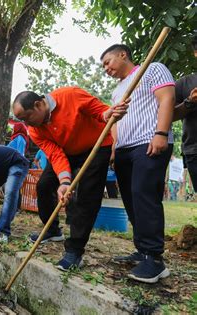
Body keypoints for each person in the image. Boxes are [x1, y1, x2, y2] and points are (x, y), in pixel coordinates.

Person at [12, 88, 128, 270]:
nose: (26, 123)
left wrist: (107, 114)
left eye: (27, 117)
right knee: (44, 185)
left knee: (87, 196)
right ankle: (52, 230)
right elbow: (56, 155)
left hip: (96, 146)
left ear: (38, 105)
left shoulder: (70, 95)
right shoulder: (35, 130)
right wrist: (65, 182)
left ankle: (75, 250)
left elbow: (99, 111)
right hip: (66, 150)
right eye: (22, 120)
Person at [101, 44, 175, 283]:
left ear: (123, 55)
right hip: (124, 149)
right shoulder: (117, 91)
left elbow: (167, 99)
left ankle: (155, 259)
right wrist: (113, 150)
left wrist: (161, 133)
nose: (106, 68)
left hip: (149, 142)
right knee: (131, 199)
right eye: (103, 66)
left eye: (108, 62)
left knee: (144, 195)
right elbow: (115, 124)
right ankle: (142, 250)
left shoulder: (153, 69)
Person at [173, 32, 197, 190]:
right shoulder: (184, 83)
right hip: (195, 150)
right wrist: (190, 102)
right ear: (195, 53)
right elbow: (169, 115)